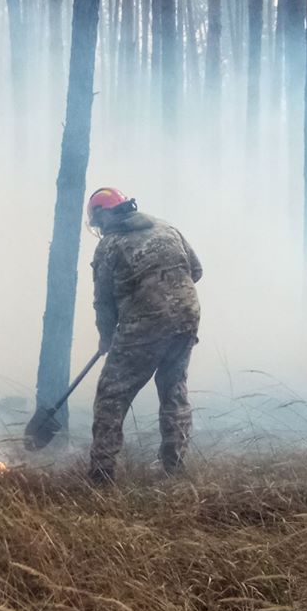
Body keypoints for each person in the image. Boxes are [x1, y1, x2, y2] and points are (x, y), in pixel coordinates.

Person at [87, 187, 203, 483]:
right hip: (186, 320)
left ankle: (101, 476)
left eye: (98, 222)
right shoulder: (167, 229)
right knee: (174, 390)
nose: (99, 228)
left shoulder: (110, 245)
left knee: (111, 396)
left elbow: (103, 301)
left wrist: (106, 336)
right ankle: (174, 470)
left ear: (104, 214)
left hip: (144, 326)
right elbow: (196, 270)